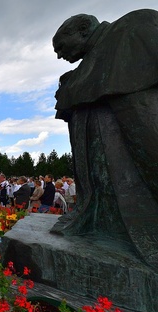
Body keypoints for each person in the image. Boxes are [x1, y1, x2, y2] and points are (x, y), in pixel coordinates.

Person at [52, 10, 158, 268]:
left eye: (61, 46)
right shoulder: (84, 67)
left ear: (84, 29)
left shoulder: (135, 26)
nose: (59, 55)